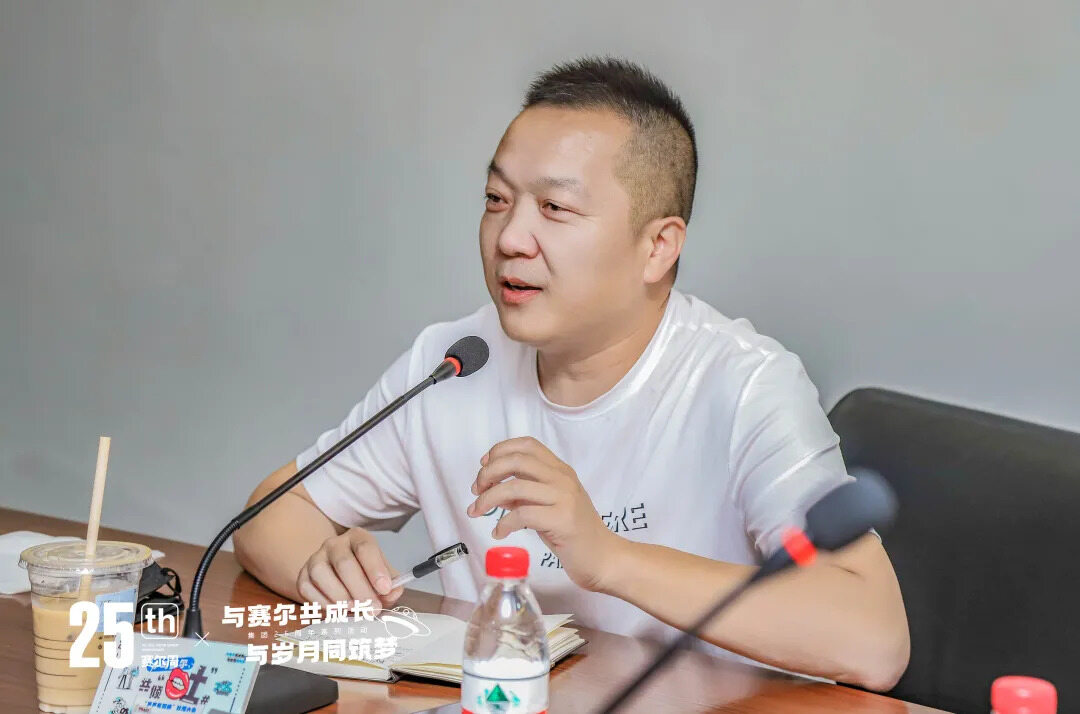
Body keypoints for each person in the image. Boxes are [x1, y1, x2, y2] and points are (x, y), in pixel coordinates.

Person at [234, 56, 909, 690]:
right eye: (496, 199)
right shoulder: (455, 361)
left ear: (658, 246)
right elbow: (271, 516)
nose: (509, 238)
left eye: (554, 209)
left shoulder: (744, 385)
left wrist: (607, 557)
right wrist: (325, 570)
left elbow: (874, 639)